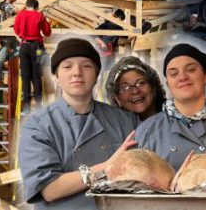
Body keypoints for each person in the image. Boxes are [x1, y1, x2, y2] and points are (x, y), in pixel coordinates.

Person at [19, 38, 140, 209]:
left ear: (97, 75)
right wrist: (106, 167)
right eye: (67, 66)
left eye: (86, 66)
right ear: (56, 76)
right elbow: (49, 189)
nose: (77, 72)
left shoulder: (125, 120)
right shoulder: (38, 126)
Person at [14, 0, 52, 112]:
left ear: (27, 6)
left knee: (25, 75)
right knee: (36, 74)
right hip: (37, 48)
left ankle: (26, 104)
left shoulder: (20, 15)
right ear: (36, 6)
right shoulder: (39, 15)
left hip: (24, 46)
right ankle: (39, 102)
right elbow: (47, 33)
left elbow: (16, 30)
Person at [104, 56, 165, 120]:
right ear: (117, 99)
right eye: (125, 87)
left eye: (140, 83)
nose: (135, 91)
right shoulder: (114, 128)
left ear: (154, 89)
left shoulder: (173, 123)